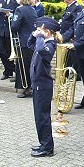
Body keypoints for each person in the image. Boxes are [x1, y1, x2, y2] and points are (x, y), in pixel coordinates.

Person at [28, 17, 62, 157]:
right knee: (38, 117)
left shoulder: (50, 45)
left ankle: (48, 148)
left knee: (43, 117)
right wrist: (33, 35)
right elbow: (29, 44)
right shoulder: (42, 41)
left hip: (43, 85)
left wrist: (40, 36)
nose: (38, 32)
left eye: (40, 30)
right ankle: (43, 143)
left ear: (47, 32)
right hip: (37, 84)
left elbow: (41, 49)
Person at [11, 0, 37, 98]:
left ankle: (27, 89)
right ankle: (31, 87)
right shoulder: (33, 10)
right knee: (31, 65)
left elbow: (14, 27)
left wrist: (12, 19)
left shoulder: (19, 10)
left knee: (23, 67)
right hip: (32, 42)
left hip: (23, 42)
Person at [59, 0, 83, 80]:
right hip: (66, 36)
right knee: (67, 57)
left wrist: (66, 36)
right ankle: (66, 74)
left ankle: (75, 75)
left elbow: (75, 24)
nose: (64, 0)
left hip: (71, 37)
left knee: (72, 57)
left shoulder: (77, 8)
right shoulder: (69, 7)